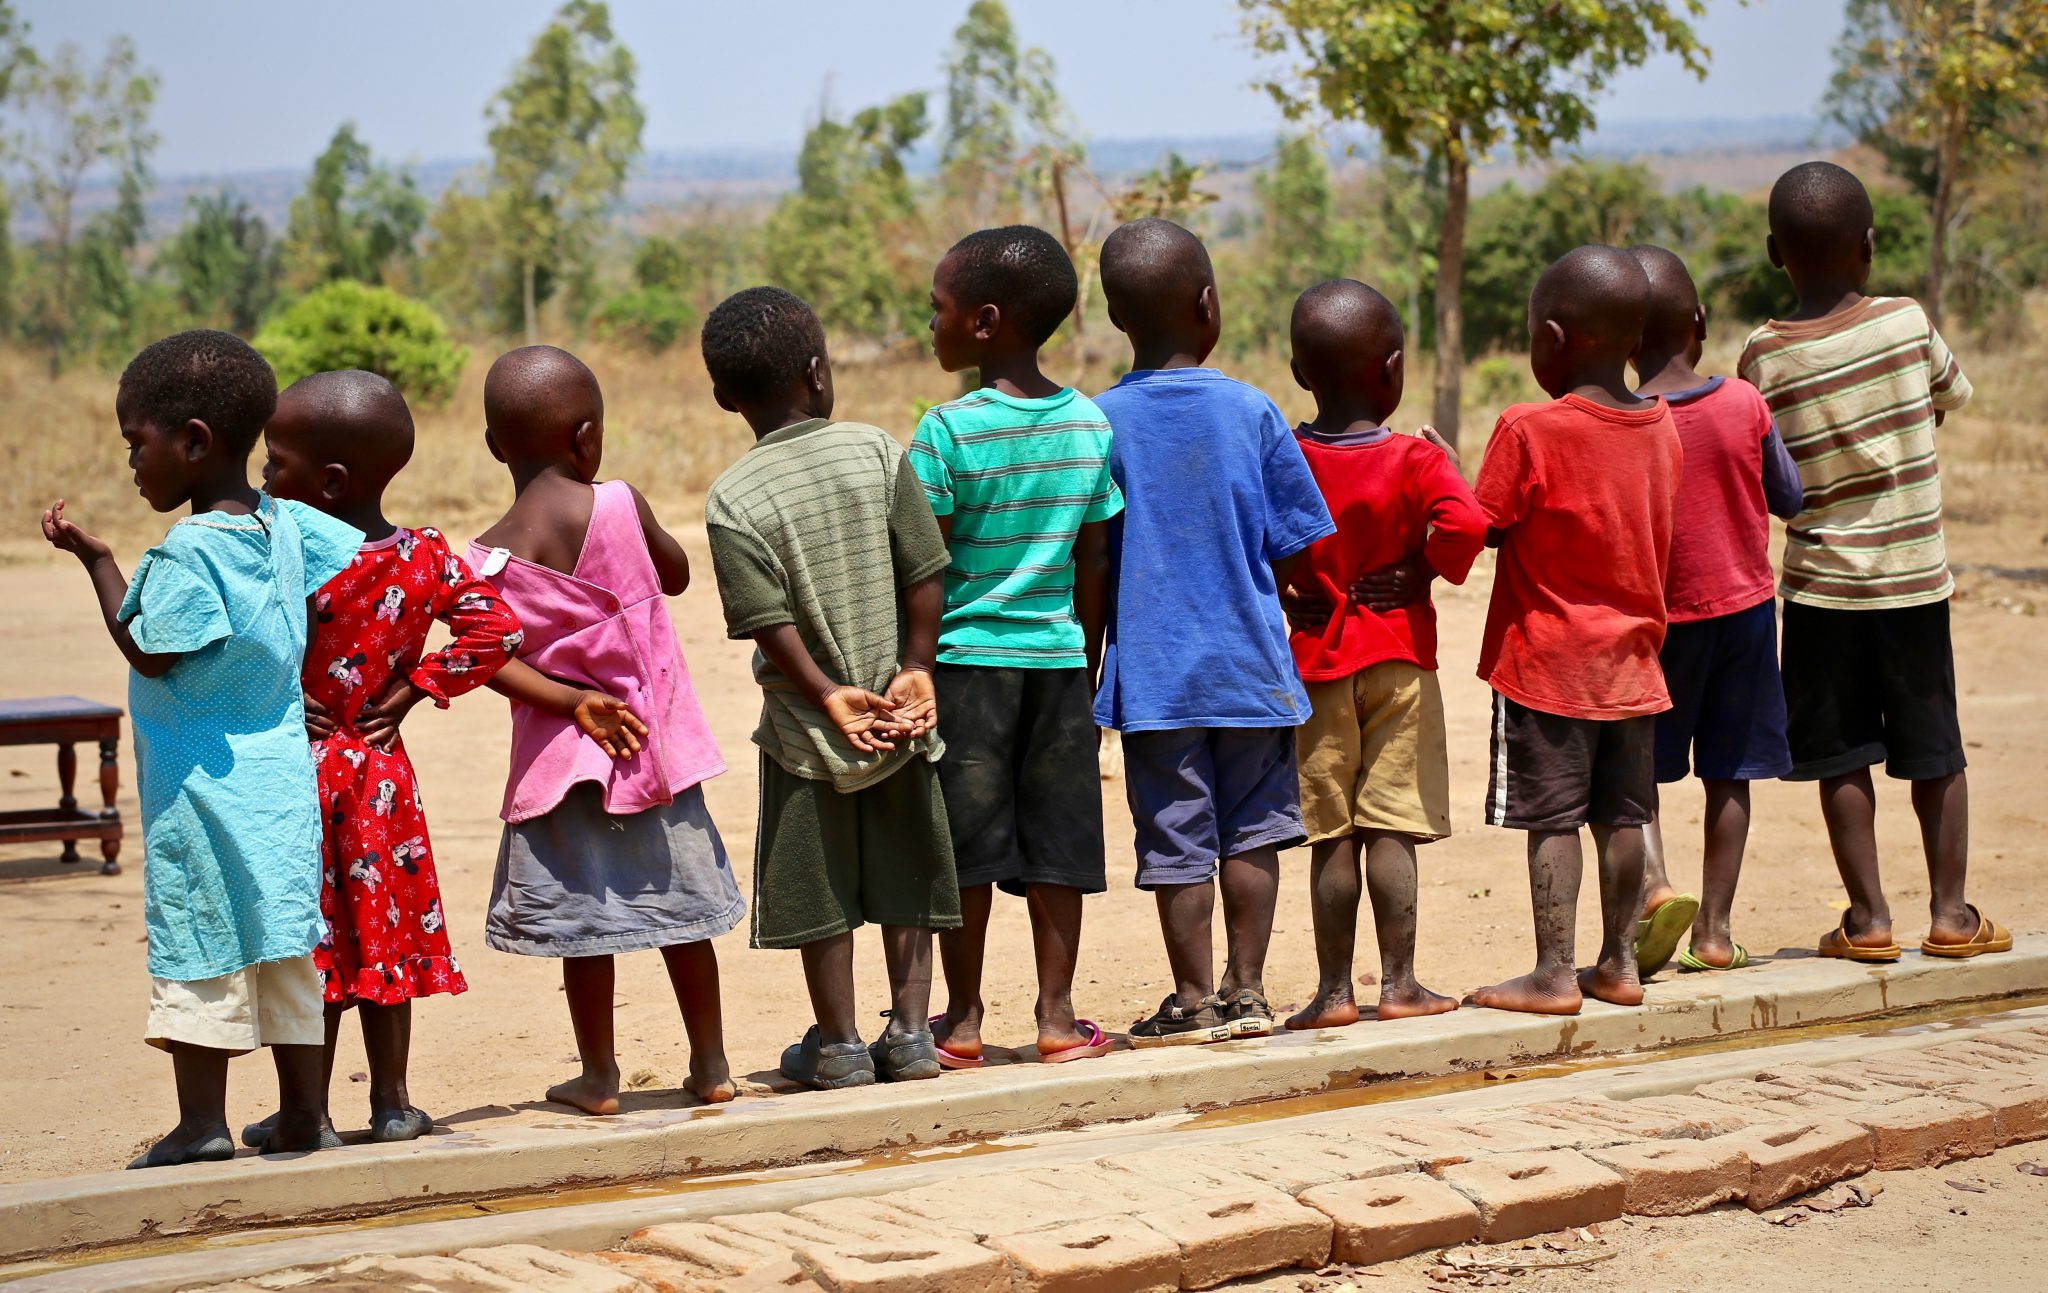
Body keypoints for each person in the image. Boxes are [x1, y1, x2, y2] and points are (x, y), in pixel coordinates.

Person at [40, 331, 362, 1167]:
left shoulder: (187, 552)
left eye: (135, 444)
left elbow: (149, 648)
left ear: (191, 441)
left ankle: (202, 1123)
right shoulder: (287, 523)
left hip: (201, 789)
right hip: (281, 781)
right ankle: (303, 1115)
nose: (132, 464)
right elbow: (362, 557)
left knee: (200, 941)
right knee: (288, 941)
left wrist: (101, 562)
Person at [240, 370, 527, 1148]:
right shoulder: (426, 553)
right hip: (380, 776)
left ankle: (307, 1111)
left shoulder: (282, 554)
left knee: (316, 942)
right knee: (383, 935)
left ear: (327, 483)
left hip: (298, 771)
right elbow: (498, 632)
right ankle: (394, 1105)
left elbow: (237, 642)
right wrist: (412, 688)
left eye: (275, 464)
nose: (263, 478)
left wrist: (272, 692)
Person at [1738, 161, 2007, 962]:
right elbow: (1949, 397)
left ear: (1774, 253)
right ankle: (1953, 914)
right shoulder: (1905, 321)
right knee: (1937, 749)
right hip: (1916, 580)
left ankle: (1869, 918)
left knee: (1842, 754)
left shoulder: (1762, 356)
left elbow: (1767, 465)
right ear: (1869, 246)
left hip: (1821, 592)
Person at [469, 345, 744, 1114]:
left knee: (584, 931)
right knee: (685, 916)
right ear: (587, 438)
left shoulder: (489, 557)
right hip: (654, 754)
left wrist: (565, 699)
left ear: (497, 447)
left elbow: (483, 659)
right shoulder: (621, 502)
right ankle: (712, 1061)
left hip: (563, 765)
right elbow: (677, 573)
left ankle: (598, 1076)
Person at [700, 287, 960, 1088]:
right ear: (818, 372)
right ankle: (913, 1034)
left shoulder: (731, 499)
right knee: (910, 872)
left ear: (723, 398)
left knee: (823, 893)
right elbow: (924, 570)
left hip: (807, 729)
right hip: (901, 715)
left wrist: (824, 693)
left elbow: (766, 621)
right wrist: (914, 666)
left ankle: (842, 1043)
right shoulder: (878, 452)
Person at [1092, 219, 1336, 1045]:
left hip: (1156, 677)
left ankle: (1192, 997)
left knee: (1177, 835)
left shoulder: (1098, 424)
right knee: (1255, 827)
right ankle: (1250, 991)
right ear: (1207, 305)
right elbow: (1300, 543)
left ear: (1120, 319)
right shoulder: (1252, 410)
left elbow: (1093, 558)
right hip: (1250, 668)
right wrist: (1305, 597)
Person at [910, 226, 1122, 1069]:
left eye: (940, 310)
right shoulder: (1088, 424)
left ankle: (961, 1022)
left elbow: (924, 559)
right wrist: (1090, 657)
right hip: (1060, 664)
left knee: (967, 843)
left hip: (966, 665)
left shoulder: (946, 431)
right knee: (1058, 845)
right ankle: (1057, 1018)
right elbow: (1095, 554)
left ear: (987, 321)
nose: (931, 325)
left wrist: (914, 661)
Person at [1465, 246, 1683, 1017]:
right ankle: (1619, 963)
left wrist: (1436, 470)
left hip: (1547, 666)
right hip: (1634, 664)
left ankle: (1554, 973)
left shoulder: (1529, 428)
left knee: (1552, 818)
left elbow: (1484, 524)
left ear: (1552, 339)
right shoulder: (1663, 427)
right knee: (1624, 814)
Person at [1274, 280, 1482, 1030]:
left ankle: (1334, 994)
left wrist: (1285, 590)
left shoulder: (1287, 456)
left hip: (1314, 666)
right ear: (1393, 370)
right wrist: (1421, 568)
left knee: (1331, 832)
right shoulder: (1416, 460)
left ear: (1300, 373)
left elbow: (1259, 542)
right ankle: (1399, 985)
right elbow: (1466, 525)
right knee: (1391, 826)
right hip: (1399, 659)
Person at [1624, 246, 1804, 976]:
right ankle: (1717, 934)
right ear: (1699, 322)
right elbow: (1788, 496)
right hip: (1748, 615)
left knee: (1636, 773)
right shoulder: (1744, 402)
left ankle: (1656, 886)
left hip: (1660, 625)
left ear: (1623, 343)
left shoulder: (1627, 422)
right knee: (1729, 772)